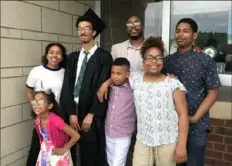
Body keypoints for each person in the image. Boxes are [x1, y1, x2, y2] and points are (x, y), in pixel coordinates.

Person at [59, 8, 112, 166]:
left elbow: (103, 88)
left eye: (86, 28)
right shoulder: (73, 57)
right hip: (73, 109)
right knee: (71, 149)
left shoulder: (104, 57)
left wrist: (92, 113)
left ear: (94, 32)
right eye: (79, 29)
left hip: (91, 111)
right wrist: (70, 112)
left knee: (91, 151)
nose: (82, 32)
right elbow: (67, 86)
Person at [164, 18, 221, 166]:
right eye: (177, 31)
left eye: (185, 31)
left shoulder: (206, 60)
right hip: (172, 125)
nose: (180, 35)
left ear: (194, 35)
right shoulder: (167, 61)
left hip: (197, 126)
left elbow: (213, 92)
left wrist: (195, 117)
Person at [26, 43, 67, 166]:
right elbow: (28, 90)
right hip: (42, 115)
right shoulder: (37, 71)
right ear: (46, 55)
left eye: (58, 52)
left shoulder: (65, 72)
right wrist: (34, 105)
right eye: (51, 52)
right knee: (37, 146)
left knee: (55, 146)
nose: (54, 55)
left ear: (62, 57)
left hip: (58, 116)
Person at [32, 88, 80, 166]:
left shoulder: (56, 121)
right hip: (44, 153)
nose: (36, 104)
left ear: (50, 106)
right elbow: (41, 138)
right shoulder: (37, 120)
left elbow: (76, 136)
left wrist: (65, 149)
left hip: (58, 154)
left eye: (41, 101)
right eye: (35, 101)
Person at [105, 58, 136, 166]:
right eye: (112, 73)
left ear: (127, 74)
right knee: (110, 161)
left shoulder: (133, 89)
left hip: (124, 134)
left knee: (118, 163)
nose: (115, 76)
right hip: (108, 131)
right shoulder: (110, 87)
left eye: (118, 73)